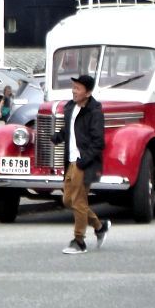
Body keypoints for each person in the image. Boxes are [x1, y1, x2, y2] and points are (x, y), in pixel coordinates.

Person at [53, 74, 111, 255]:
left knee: (78, 202)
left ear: (88, 92)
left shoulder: (94, 112)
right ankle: (99, 226)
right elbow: (69, 129)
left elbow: (98, 142)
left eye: (78, 88)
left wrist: (83, 161)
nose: (74, 91)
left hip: (83, 162)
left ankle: (79, 241)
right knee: (68, 200)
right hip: (71, 161)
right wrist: (58, 137)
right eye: (73, 87)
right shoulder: (70, 107)